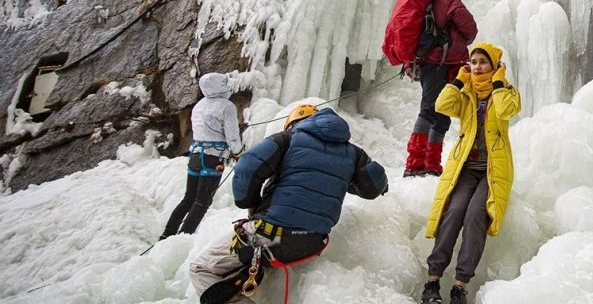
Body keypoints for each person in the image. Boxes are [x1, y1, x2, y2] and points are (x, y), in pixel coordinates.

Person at [189, 106, 388, 304]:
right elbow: (372, 187)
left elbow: (247, 167)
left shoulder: (288, 139)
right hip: (313, 242)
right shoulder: (353, 153)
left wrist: (250, 204)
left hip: (271, 234)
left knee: (201, 268)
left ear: (294, 124)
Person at [419, 42, 522, 304]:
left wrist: (498, 82)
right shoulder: (466, 93)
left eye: (483, 62)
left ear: (495, 65)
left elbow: (506, 110)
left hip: (492, 169)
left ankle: (460, 286)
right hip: (465, 167)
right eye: (473, 62)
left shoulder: (507, 91)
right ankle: (432, 281)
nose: (477, 67)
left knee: (477, 214)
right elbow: (442, 105)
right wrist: (459, 79)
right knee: (452, 213)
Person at [404, 0, 478, 178]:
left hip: (425, 63)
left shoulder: (422, 0)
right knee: (432, 110)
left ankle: (430, 164)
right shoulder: (449, 0)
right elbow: (470, 29)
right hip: (443, 63)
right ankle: (416, 164)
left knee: (438, 111)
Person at [160, 72, 244, 240]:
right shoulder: (226, 106)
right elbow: (232, 137)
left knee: (188, 198)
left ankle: (167, 234)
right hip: (213, 158)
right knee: (202, 201)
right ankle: (182, 238)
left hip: (196, 156)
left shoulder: (199, 105)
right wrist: (238, 153)